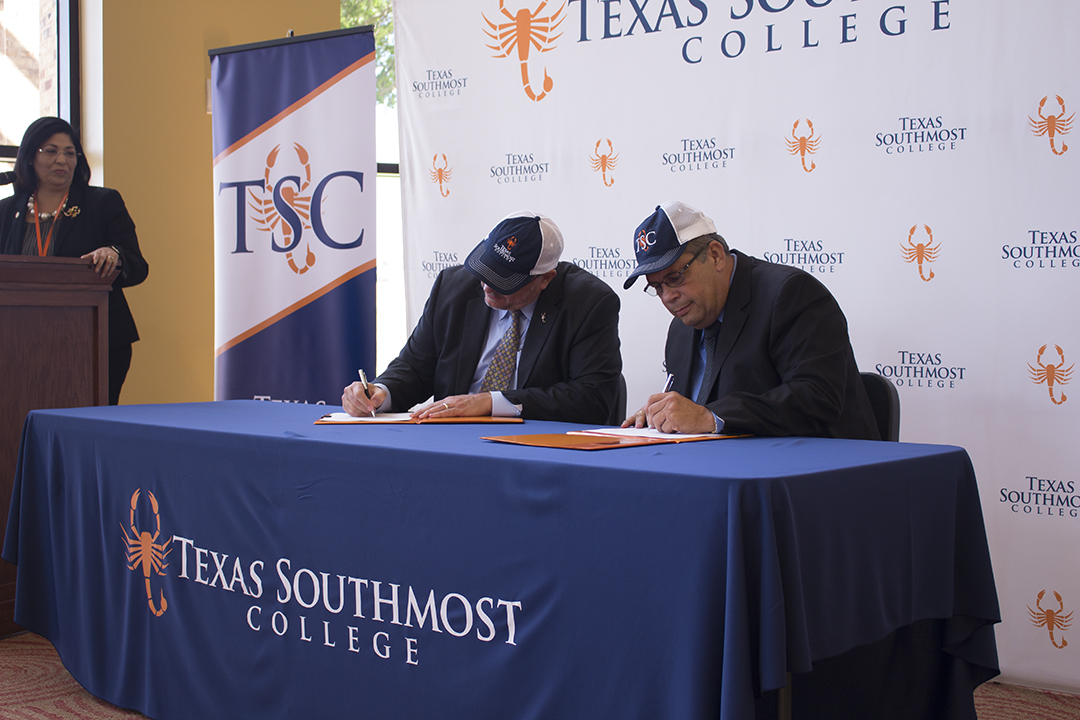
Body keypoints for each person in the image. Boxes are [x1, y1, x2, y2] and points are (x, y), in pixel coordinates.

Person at [622, 200, 879, 439]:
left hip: (819, 473)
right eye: (657, 288)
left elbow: (816, 398)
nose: (668, 297)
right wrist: (659, 418)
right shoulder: (681, 328)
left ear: (715, 255)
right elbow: (690, 414)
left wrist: (711, 417)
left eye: (675, 278)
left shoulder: (790, 294)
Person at [342, 211, 622, 424]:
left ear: (546, 279)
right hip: (452, 442)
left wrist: (491, 403)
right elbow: (416, 367)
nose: (486, 286)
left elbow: (592, 398)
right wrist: (381, 391)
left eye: (503, 281)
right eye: (484, 269)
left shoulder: (589, 303)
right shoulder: (453, 287)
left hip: (536, 448)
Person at [0, 117, 149, 405]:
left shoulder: (102, 203)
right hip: (17, 341)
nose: (62, 160)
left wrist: (114, 255)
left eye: (70, 153)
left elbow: (138, 266)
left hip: (92, 341)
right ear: (30, 157)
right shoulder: (6, 212)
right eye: (51, 151)